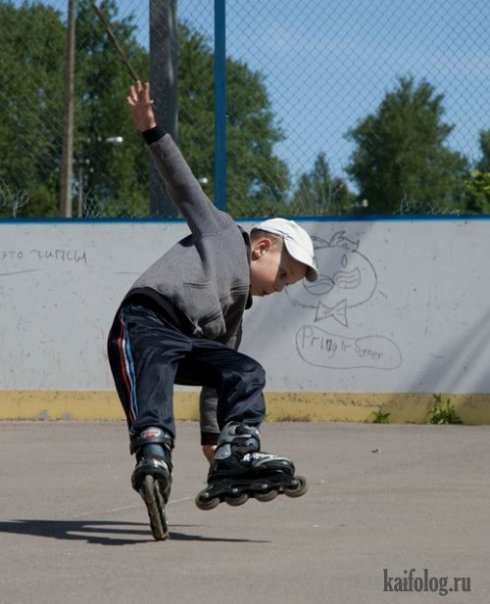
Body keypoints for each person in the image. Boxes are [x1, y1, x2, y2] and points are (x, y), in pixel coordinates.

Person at [107, 81, 319, 540]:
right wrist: (150, 130)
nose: (281, 288)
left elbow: (212, 392)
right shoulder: (222, 231)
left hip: (186, 341)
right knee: (157, 375)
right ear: (262, 247)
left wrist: (214, 447)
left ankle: (238, 449)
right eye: (284, 275)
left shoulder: (233, 319)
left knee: (242, 370)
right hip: (143, 322)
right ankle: (154, 449)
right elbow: (183, 185)